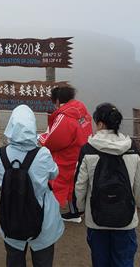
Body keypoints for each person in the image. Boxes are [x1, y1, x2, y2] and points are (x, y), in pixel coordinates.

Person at [73, 103, 140, 267]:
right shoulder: (132, 149)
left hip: (96, 219)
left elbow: (80, 185)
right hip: (126, 219)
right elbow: (139, 183)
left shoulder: (88, 150)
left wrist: (79, 208)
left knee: (100, 261)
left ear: (100, 124)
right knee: (124, 261)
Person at [0, 105, 64, 267]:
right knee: (43, 260)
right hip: (42, 221)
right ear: (32, 126)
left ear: (11, 125)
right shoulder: (43, 154)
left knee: (14, 259)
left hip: (11, 217)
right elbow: (54, 174)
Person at [38, 86, 93, 223]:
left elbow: (53, 140)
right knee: (74, 183)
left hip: (67, 156)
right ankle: (74, 212)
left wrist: (41, 138)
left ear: (56, 100)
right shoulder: (80, 109)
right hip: (81, 152)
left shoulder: (64, 116)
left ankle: (51, 213)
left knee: (57, 183)